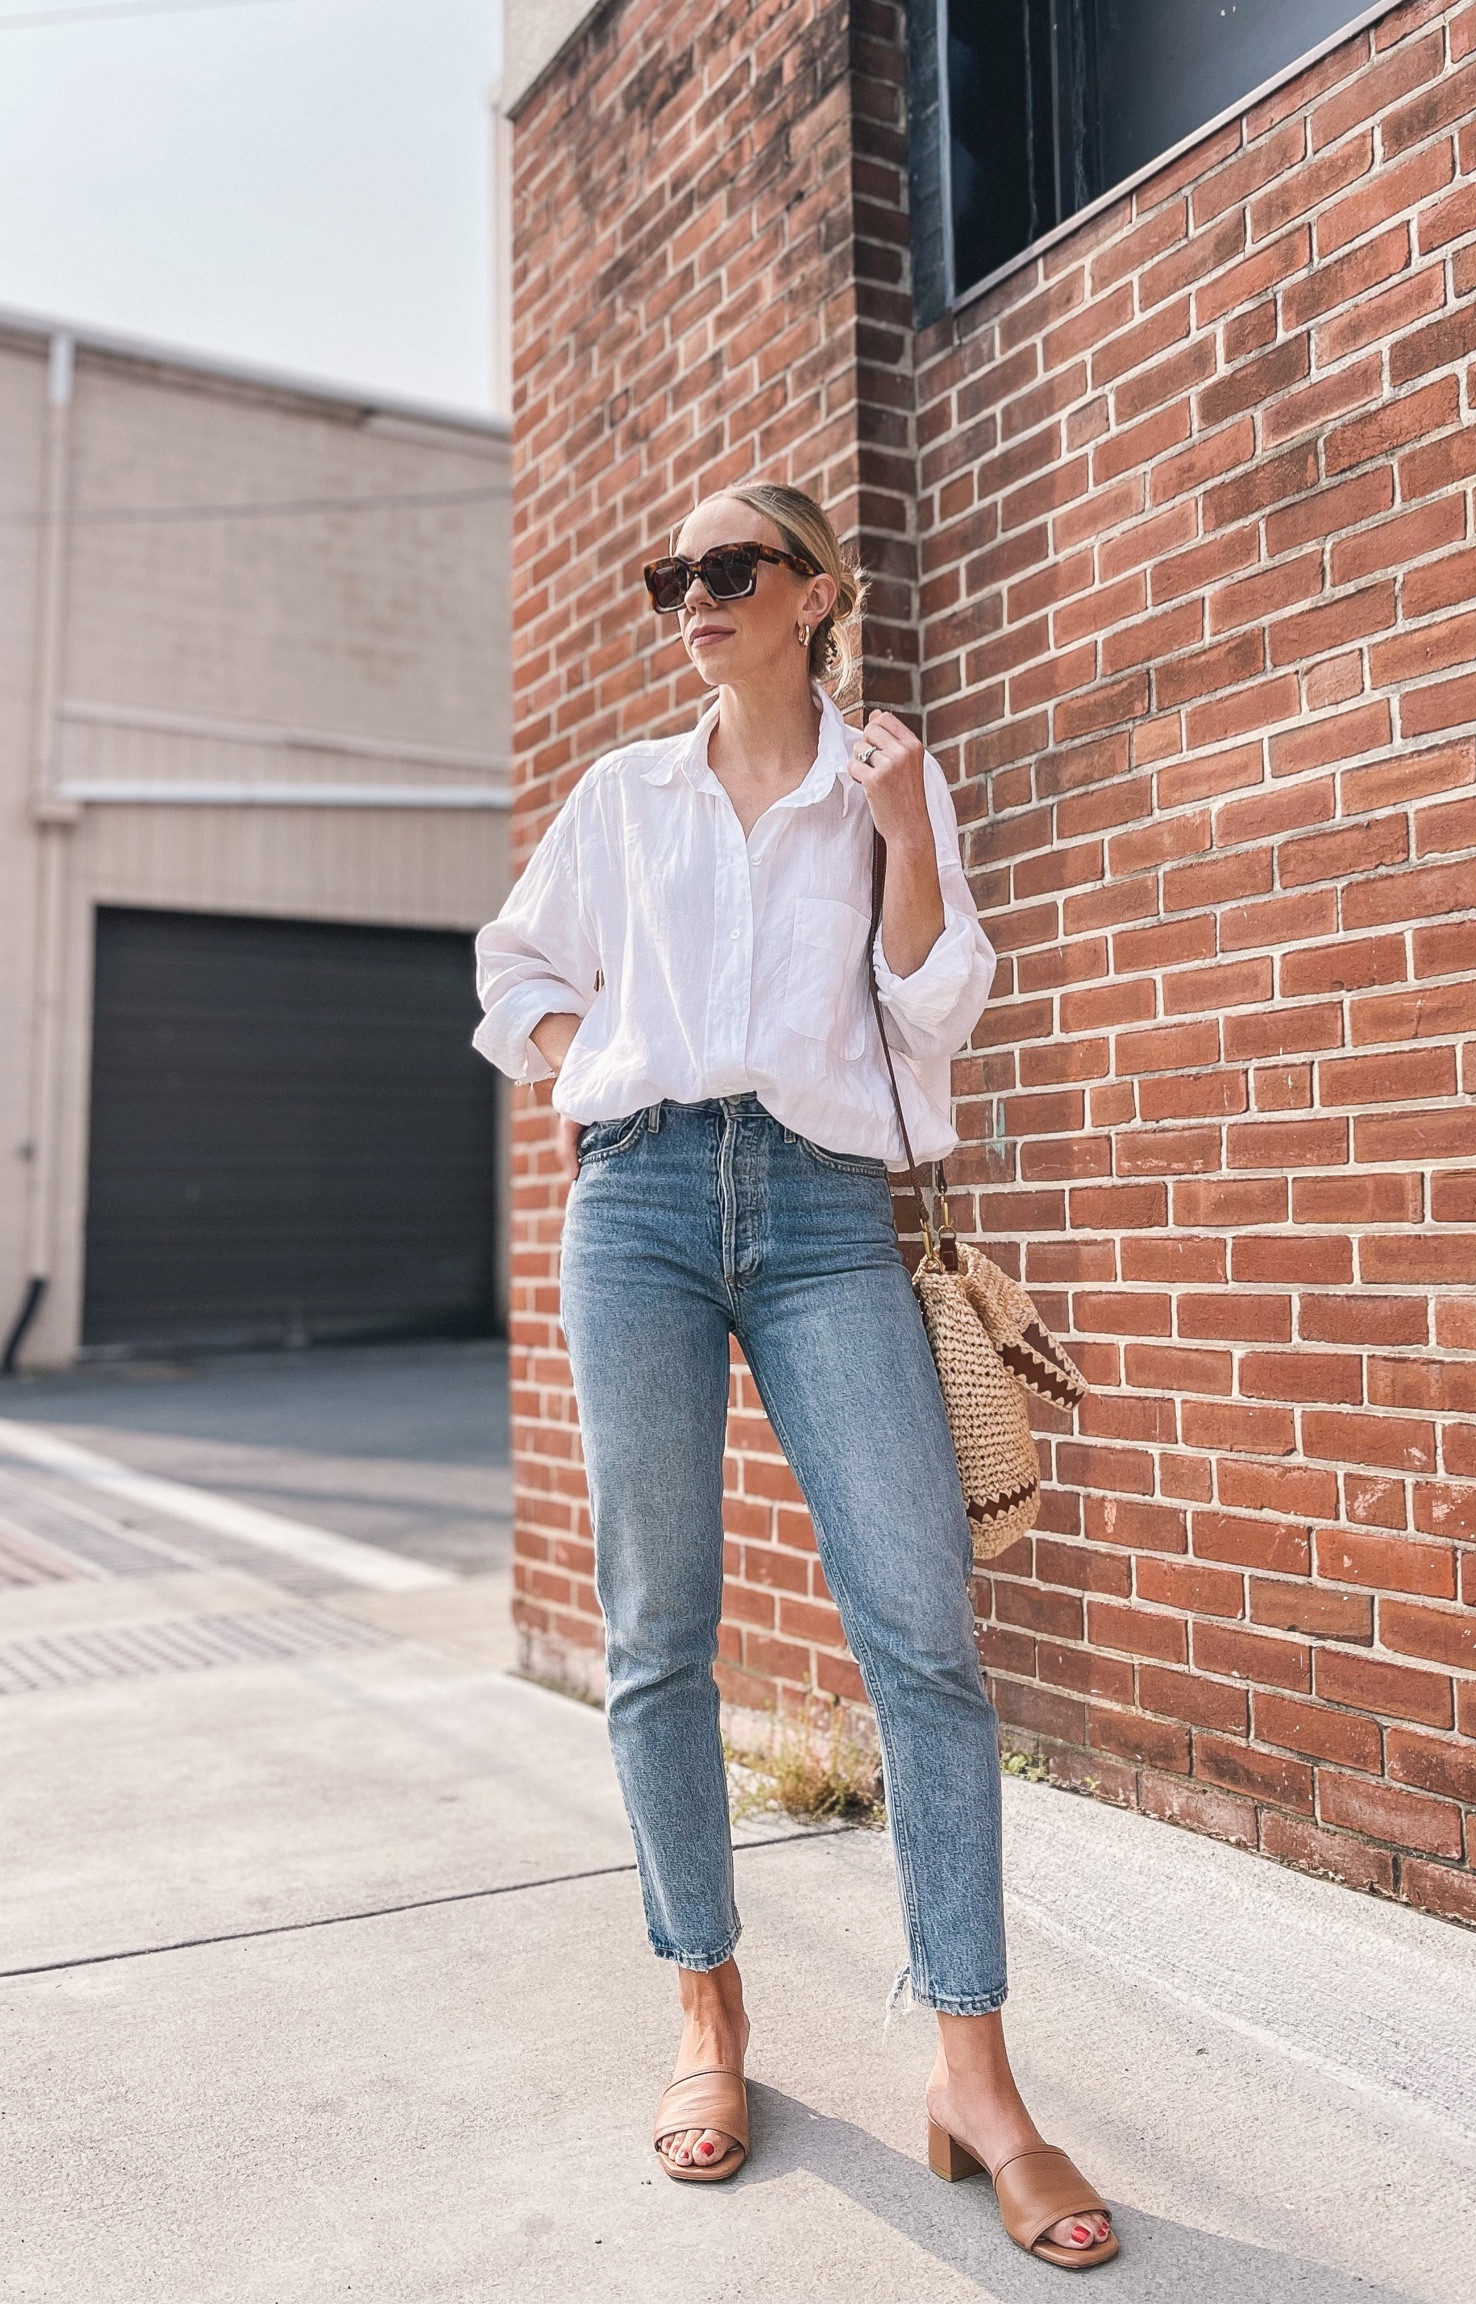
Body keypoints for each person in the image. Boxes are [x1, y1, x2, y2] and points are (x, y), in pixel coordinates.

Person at [473, 481, 1118, 2269]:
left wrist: (908, 829)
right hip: (646, 1199)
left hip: (831, 1210)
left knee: (922, 1628)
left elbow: (935, 1011)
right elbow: (511, 966)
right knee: (655, 1630)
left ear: (815, 592)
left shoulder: (884, 778)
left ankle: (973, 2075)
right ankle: (709, 2013)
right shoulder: (626, 794)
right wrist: (584, 1055)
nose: (693, 594)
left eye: (730, 569)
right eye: (670, 570)